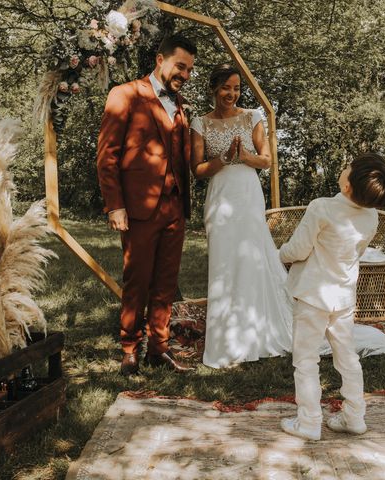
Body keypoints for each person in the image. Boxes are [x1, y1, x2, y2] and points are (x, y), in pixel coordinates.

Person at [278, 153, 385, 440]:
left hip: (312, 295)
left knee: (306, 359)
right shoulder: (371, 217)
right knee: (347, 357)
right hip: (343, 296)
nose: (344, 167)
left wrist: (279, 254)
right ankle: (354, 416)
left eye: (349, 166)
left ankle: (308, 422)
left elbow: (298, 249)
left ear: (347, 185)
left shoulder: (321, 208)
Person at [96, 35, 197, 376]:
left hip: (174, 207)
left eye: (189, 70)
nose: (184, 74)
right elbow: (107, 156)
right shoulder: (124, 94)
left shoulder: (180, 104)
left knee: (166, 282)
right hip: (138, 207)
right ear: (160, 59)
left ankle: (159, 348)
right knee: (136, 280)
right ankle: (129, 348)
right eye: (180, 66)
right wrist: (115, 205)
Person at [190, 64, 292, 368]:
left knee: (251, 260)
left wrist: (242, 156)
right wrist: (222, 158)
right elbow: (197, 170)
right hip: (220, 197)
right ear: (213, 88)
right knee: (224, 262)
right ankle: (227, 339)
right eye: (225, 88)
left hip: (247, 195)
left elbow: (266, 160)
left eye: (236, 88)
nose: (231, 94)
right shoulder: (200, 122)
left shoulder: (252, 117)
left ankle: (256, 332)